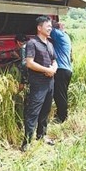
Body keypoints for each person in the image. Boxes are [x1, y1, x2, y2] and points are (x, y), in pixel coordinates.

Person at [21, 16, 57, 152]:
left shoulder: (50, 43)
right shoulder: (32, 43)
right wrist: (46, 70)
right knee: (33, 112)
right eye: (47, 26)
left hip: (50, 82)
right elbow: (29, 63)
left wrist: (53, 68)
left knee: (45, 110)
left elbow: (54, 60)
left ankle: (41, 136)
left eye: (51, 27)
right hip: (38, 82)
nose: (50, 28)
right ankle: (27, 142)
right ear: (39, 28)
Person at [50, 21, 72, 123]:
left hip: (61, 69)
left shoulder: (59, 34)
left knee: (59, 95)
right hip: (66, 70)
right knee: (62, 94)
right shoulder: (65, 36)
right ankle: (62, 114)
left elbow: (48, 30)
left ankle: (62, 117)